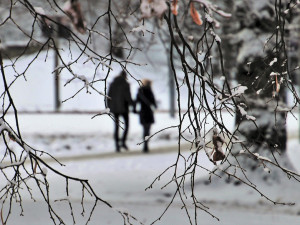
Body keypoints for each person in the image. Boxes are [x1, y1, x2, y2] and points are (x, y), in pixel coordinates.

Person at [107, 70, 133, 152]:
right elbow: (127, 96)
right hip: (124, 108)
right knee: (127, 126)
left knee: (116, 127)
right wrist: (133, 104)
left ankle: (117, 145)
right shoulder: (125, 84)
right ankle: (123, 142)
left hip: (115, 109)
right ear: (125, 76)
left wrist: (109, 107)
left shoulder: (112, 84)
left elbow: (108, 96)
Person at [134, 79, 157, 152]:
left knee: (145, 129)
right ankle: (146, 145)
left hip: (142, 112)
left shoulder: (140, 91)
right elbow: (153, 102)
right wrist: (154, 105)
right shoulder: (150, 91)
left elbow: (136, 101)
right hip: (149, 112)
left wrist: (134, 110)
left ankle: (145, 145)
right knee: (147, 129)